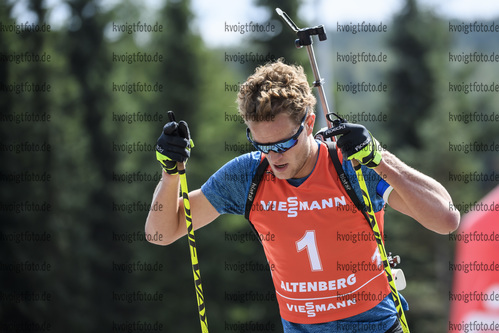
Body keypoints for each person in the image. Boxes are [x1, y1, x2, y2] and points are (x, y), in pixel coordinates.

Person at [146, 59, 460, 333]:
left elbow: (446, 219)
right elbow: (161, 233)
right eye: (262, 146)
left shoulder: (348, 164)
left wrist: (378, 158)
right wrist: (170, 172)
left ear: (309, 124)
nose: (275, 157)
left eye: (283, 144)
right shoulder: (247, 175)